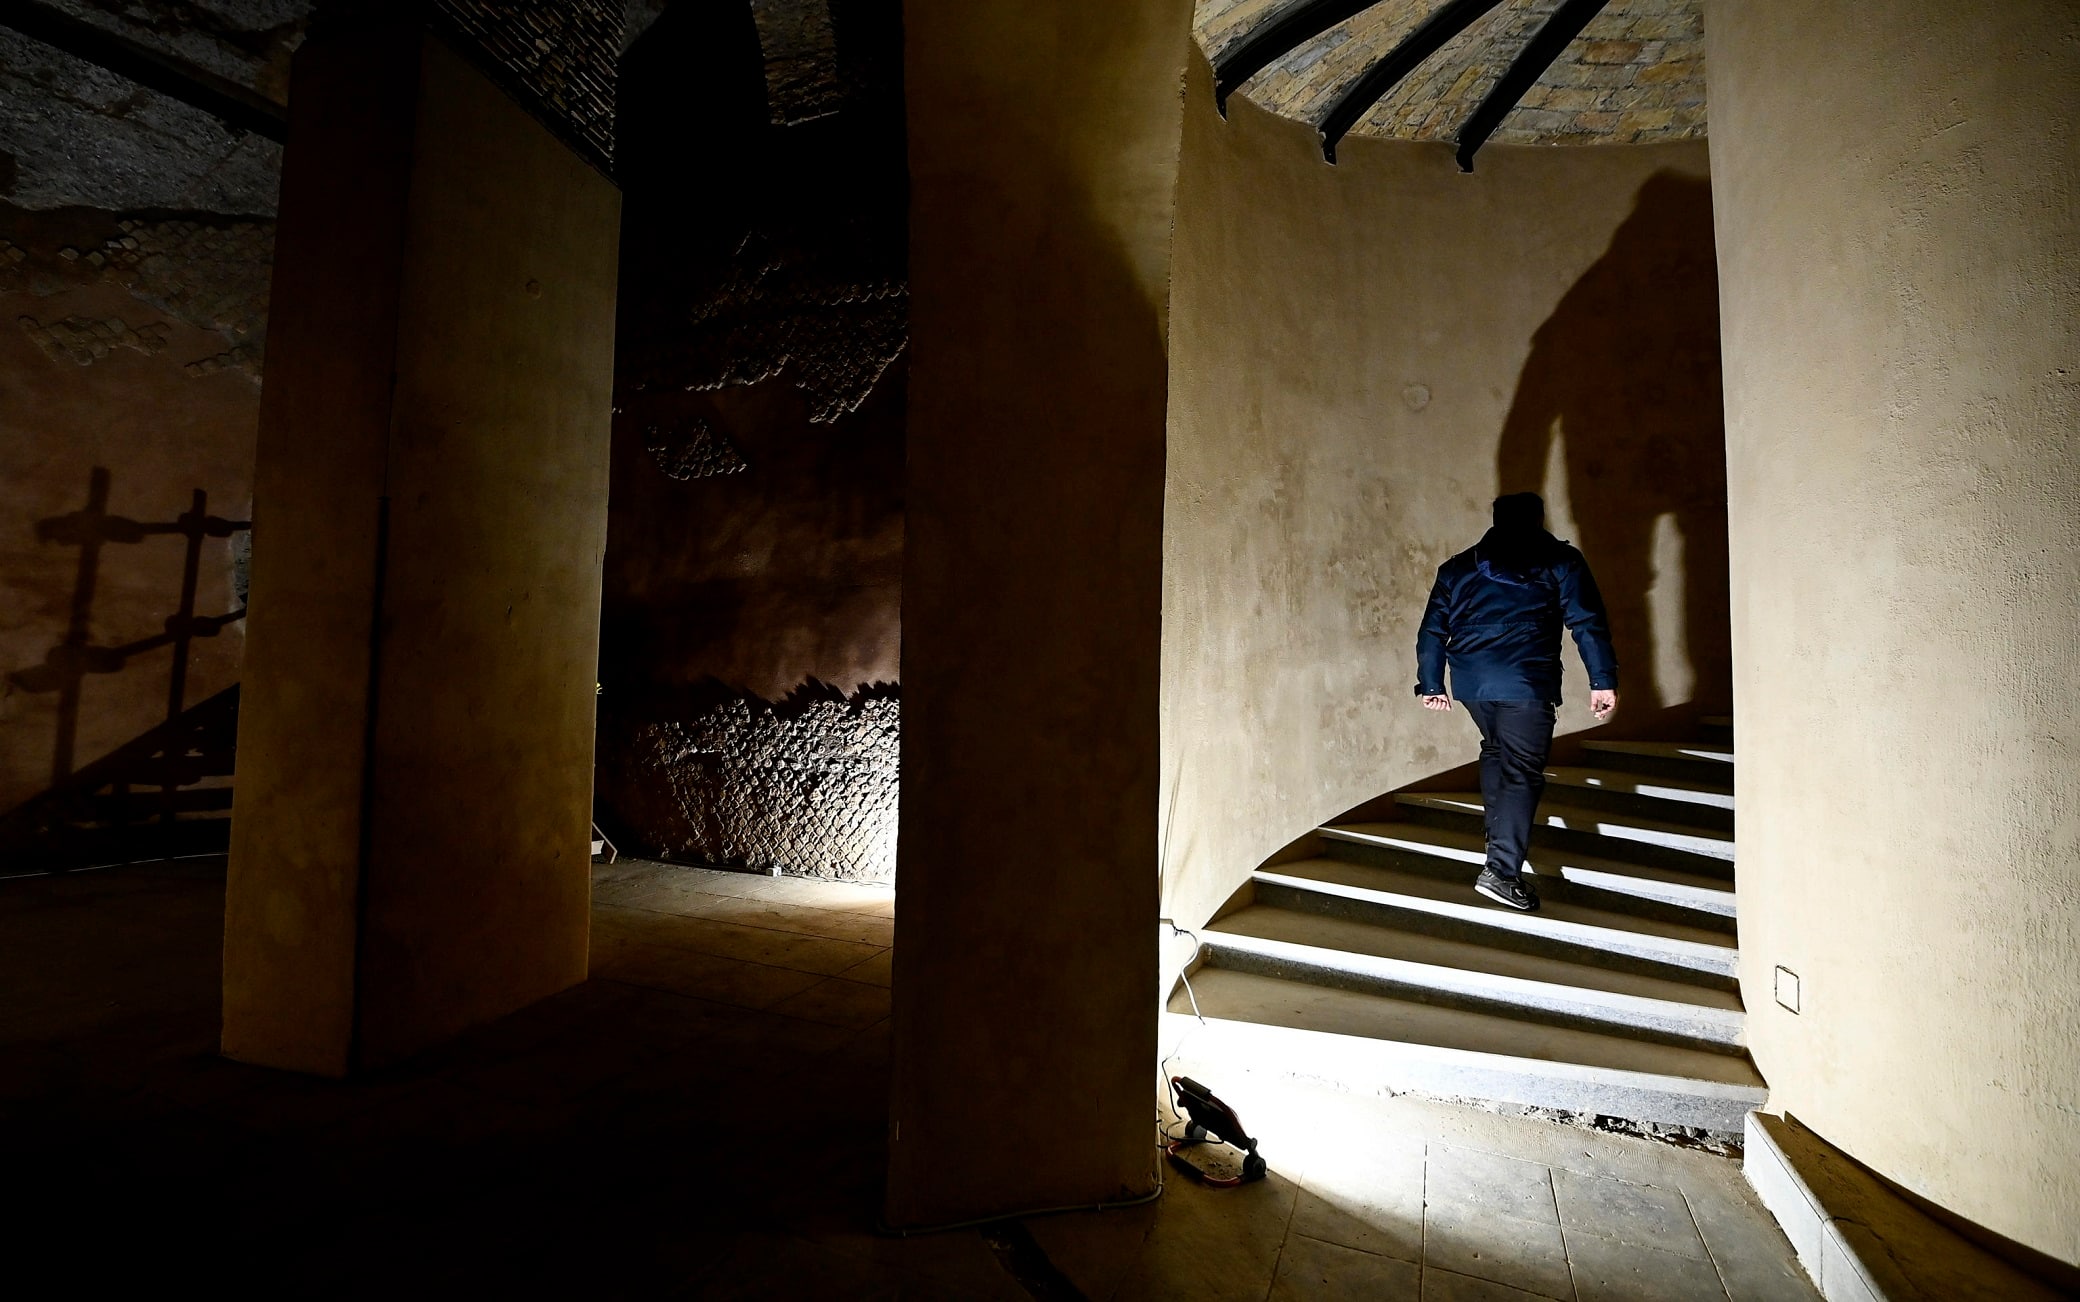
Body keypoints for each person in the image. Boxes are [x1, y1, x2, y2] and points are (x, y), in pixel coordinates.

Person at [1414, 493, 1618, 912]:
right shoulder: (1560, 561)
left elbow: (1431, 630)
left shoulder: (1458, 567)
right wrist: (1602, 680)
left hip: (1472, 684)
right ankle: (1502, 872)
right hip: (1525, 682)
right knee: (1523, 770)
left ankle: (1498, 834)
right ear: (1538, 518)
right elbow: (1586, 621)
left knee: (1495, 750)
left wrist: (1431, 683)